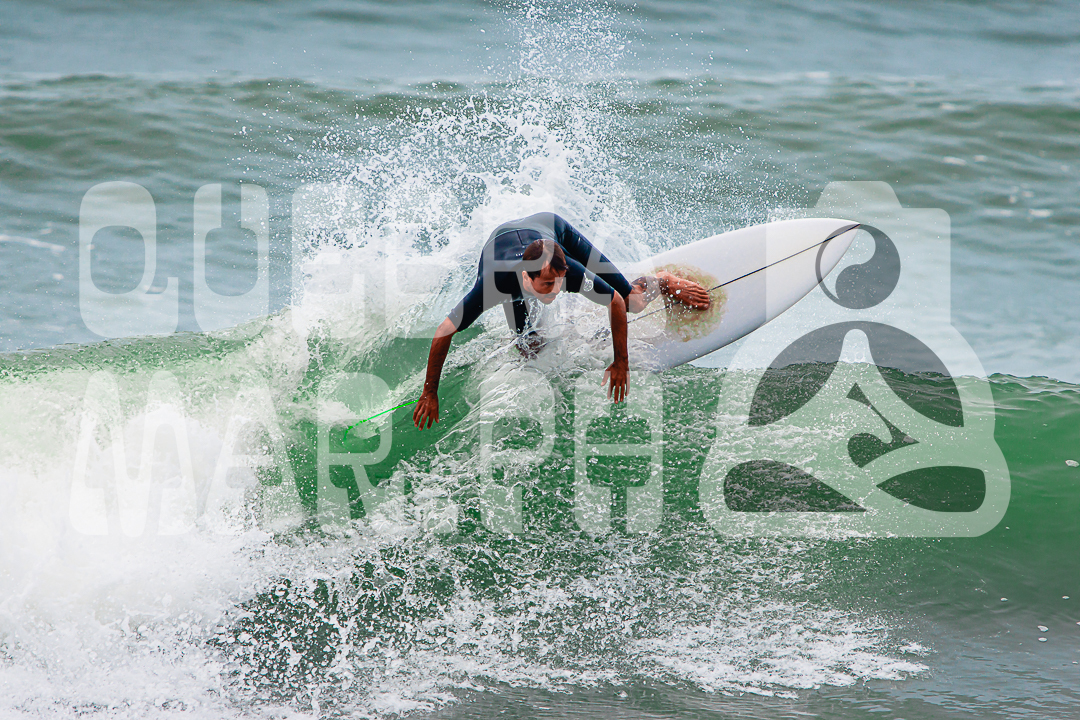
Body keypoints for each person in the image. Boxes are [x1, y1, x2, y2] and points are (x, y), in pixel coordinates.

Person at [413, 213, 711, 429]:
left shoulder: (566, 272)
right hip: (498, 246)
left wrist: (621, 361)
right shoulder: (494, 285)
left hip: (552, 229)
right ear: (526, 277)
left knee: (632, 301)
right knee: (527, 348)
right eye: (547, 285)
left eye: (559, 283)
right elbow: (444, 331)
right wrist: (430, 392)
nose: (556, 291)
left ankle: (663, 281)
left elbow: (615, 302)